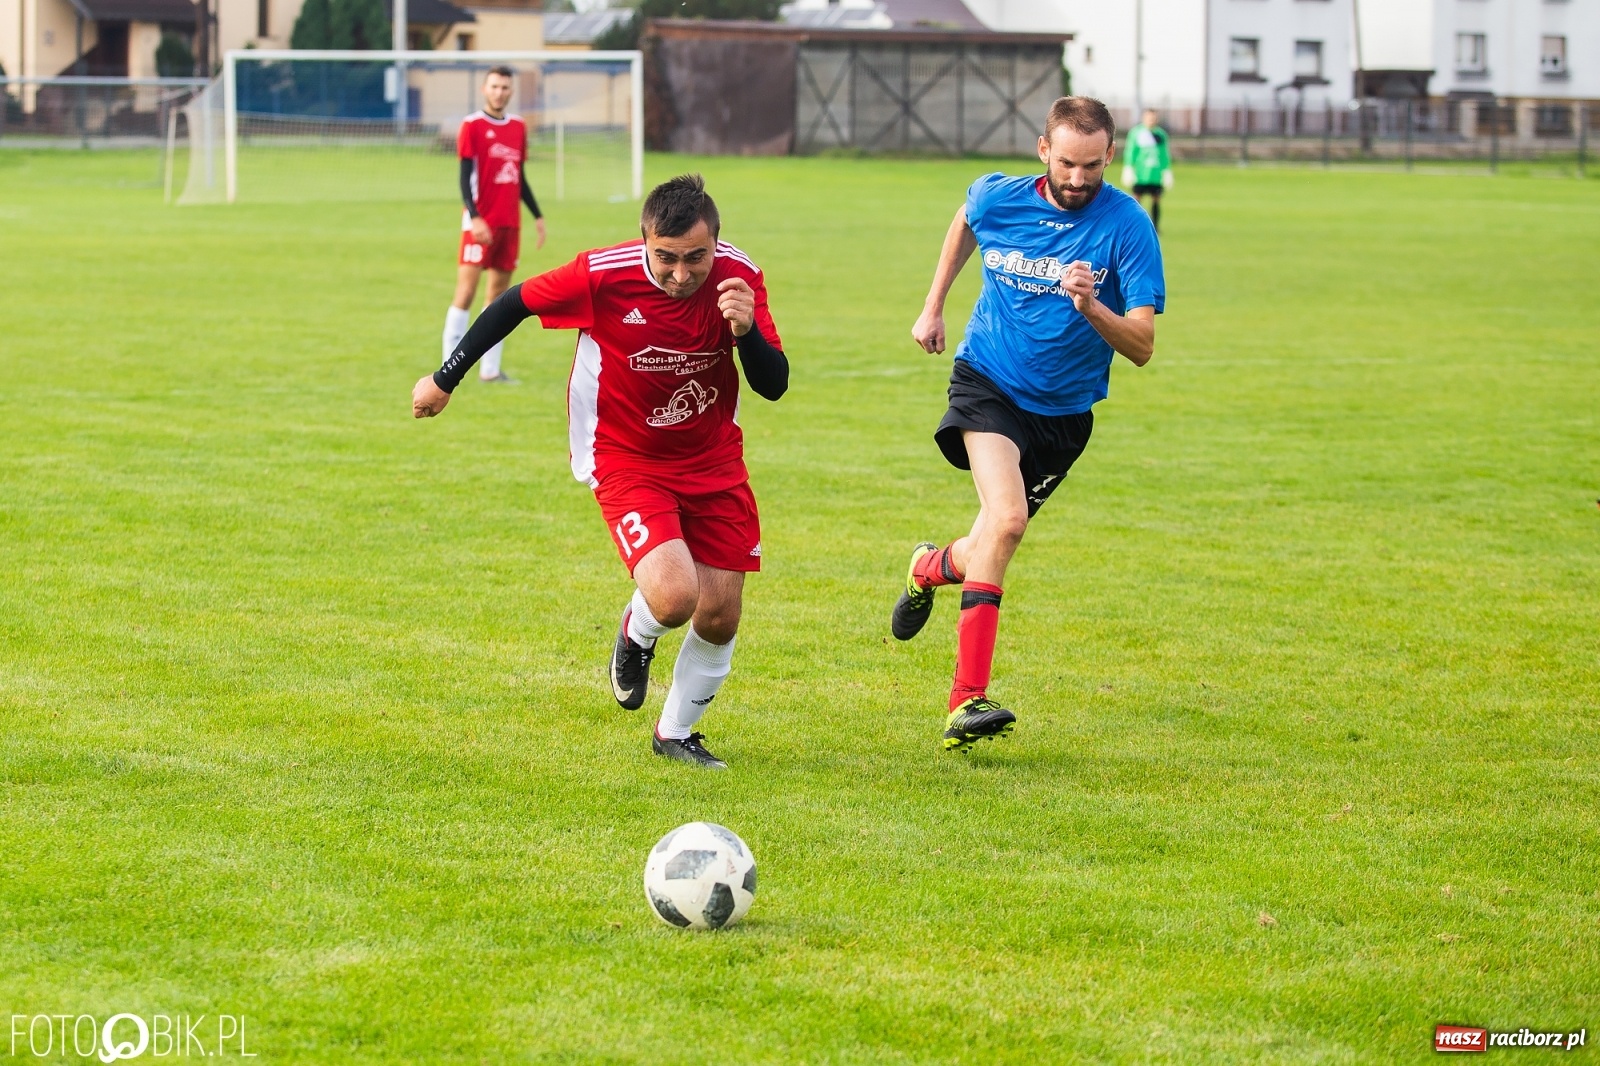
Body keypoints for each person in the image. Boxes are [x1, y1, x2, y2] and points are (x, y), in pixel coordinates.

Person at [412, 174, 790, 770]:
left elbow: (774, 385)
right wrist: (444, 378)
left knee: (720, 613)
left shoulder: (740, 280)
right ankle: (637, 633)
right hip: (625, 456)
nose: (681, 274)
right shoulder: (602, 274)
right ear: (644, 240)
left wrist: (745, 335)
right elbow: (514, 304)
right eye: (665, 258)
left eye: (697, 258)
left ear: (717, 242)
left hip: (714, 459)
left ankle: (676, 735)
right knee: (674, 597)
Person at [896, 96, 1165, 752]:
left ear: (1111, 156)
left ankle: (931, 567)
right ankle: (966, 701)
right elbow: (966, 217)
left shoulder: (1127, 226)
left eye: (1093, 166)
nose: (1078, 179)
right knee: (1008, 520)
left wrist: (1091, 306)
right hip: (987, 382)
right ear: (1044, 150)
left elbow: (1142, 346)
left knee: (991, 537)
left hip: (1066, 414)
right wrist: (933, 307)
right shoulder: (1000, 198)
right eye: (1067, 163)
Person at [442, 66, 548, 385]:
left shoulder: (518, 127)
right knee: (466, 292)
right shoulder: (472, 126)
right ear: (484, 89)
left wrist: (537, 215)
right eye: (494, 86)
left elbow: (519, 178)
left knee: (498, 298)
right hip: (479, 224)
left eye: (505, 87)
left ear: (511, 91)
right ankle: (447, 367)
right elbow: (464, 176)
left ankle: (490, 370)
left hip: (509, 224)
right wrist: (474, 217)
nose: (499, 92)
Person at [1122, 108, 1172, 233]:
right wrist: (1128, 167)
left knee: (1156, 199)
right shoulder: (1136, 133)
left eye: (1154, 118)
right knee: (1136, 199)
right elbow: (1131, 151)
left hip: (1155, 174)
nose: (1151, 120)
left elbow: (1164, 154)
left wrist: (1166, 171)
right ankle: (1135, 225)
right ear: (1144, 118)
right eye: (1149, 118)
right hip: (1140, 173)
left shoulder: (1160, 135)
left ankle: (1155, 226)